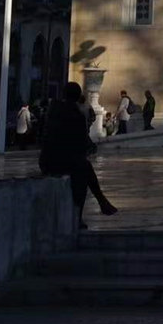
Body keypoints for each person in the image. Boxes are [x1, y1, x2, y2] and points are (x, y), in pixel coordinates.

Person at [39, 81, 117, 227]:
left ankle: (101, 201)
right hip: (58, 161)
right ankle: (87, 209)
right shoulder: (75, 115)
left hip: (48, 159)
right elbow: (80, 143)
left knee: (84, 166)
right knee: (83, 171)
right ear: (78, 96)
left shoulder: (55, 110)